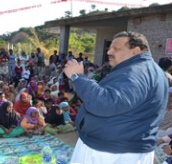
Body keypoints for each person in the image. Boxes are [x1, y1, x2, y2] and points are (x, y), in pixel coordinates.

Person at [64, 31, 168, 163]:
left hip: (111, 153)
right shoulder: (149, 70)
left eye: (116, 49)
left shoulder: (135, 72)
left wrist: (77, 77)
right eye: (110, 48)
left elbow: (106, 103)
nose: (109, 52)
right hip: (123, 147)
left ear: (135, 51)